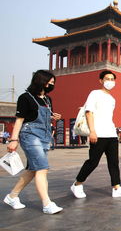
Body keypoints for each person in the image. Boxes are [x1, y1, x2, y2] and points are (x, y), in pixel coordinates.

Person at [3, 70, 63, 214]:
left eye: (53, 83)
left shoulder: (48, 100)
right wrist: (13, 140)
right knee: (42, 168)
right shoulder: (25, 97)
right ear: (40, 81)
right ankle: (47, 203)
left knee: (32, 170)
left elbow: (45, 118)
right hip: (30, 135)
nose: (51, 85)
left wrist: (54, 117)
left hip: (44, 136)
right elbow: (20, 120)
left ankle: (12, 196)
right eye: (50, 82)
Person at [70, 70, 121, 199]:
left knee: (113, 162)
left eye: (112, 79)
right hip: (98, 134)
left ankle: (116, 188)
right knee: (93, 162)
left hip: (111, 134)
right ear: (101, 81)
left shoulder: (112, 99)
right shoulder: (95, 94)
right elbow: (89, 112)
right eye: (107, 79)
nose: (110, 81)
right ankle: (77, 184)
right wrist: (92, 131)